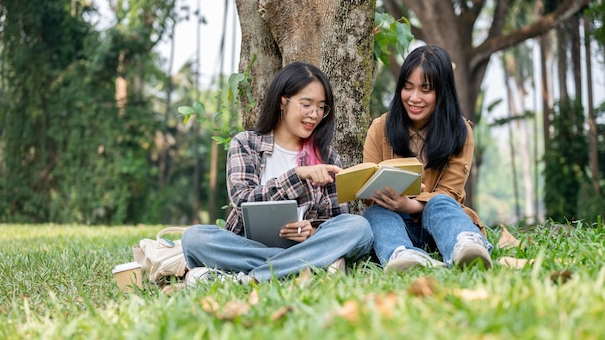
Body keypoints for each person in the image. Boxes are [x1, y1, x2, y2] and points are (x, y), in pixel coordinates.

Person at [182, 61, 373, 284]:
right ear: (283, 101)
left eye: (321, 107)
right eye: (306, 104)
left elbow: (336, 220)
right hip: (247, 246)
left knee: (358, 228)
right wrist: (298, 174)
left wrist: (311, 231)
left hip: (306, 246)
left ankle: (248, 278)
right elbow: (242, 199)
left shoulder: (327, 156)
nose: (314, 114)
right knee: (194, 239)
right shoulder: (246, 144)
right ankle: (306, 268)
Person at [362, 45, 493, 272]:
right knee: (375, 213)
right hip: (397, 226)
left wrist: (410, 203)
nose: (414, 98)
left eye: (425, 89)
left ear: (442, 92)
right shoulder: (380, 127)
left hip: (441, 225)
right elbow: (366, 194)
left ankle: (465, 246)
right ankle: (402, 255)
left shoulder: (460, 131)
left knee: (440, 202)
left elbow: (449, 193)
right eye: (408, 87)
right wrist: (379, 193)